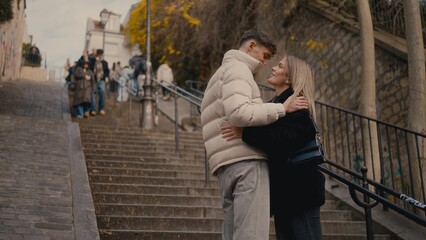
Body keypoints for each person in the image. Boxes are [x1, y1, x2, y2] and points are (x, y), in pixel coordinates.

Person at [200, 28, 309, 240]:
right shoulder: (239, 70)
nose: (266, 63)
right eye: (265, 56)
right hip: (247, 164)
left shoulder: (220, 74)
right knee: (251, 235)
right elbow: (239, 113)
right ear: (251, 46)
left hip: (226, 165)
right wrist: (282, 109)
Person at [221, 55, 325, 240]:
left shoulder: (297, 105)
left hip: (301, 194)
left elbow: (281, 139)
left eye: (280, 66)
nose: (274, 68)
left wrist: (243, 133)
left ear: (289, 78)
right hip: (284, 195)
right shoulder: (276, 105)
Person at [90, 49, 110, 116]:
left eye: (101, 54)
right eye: (99, 54)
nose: (100, 56)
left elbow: (107, 71)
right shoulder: (93, 61)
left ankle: (101, 109)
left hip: (101, 80)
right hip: (94, 80)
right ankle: (93, 110)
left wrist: (104, 76)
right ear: (97, 54)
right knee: (93, 94)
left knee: (103, 93)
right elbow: (90, 69)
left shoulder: (105, 63)